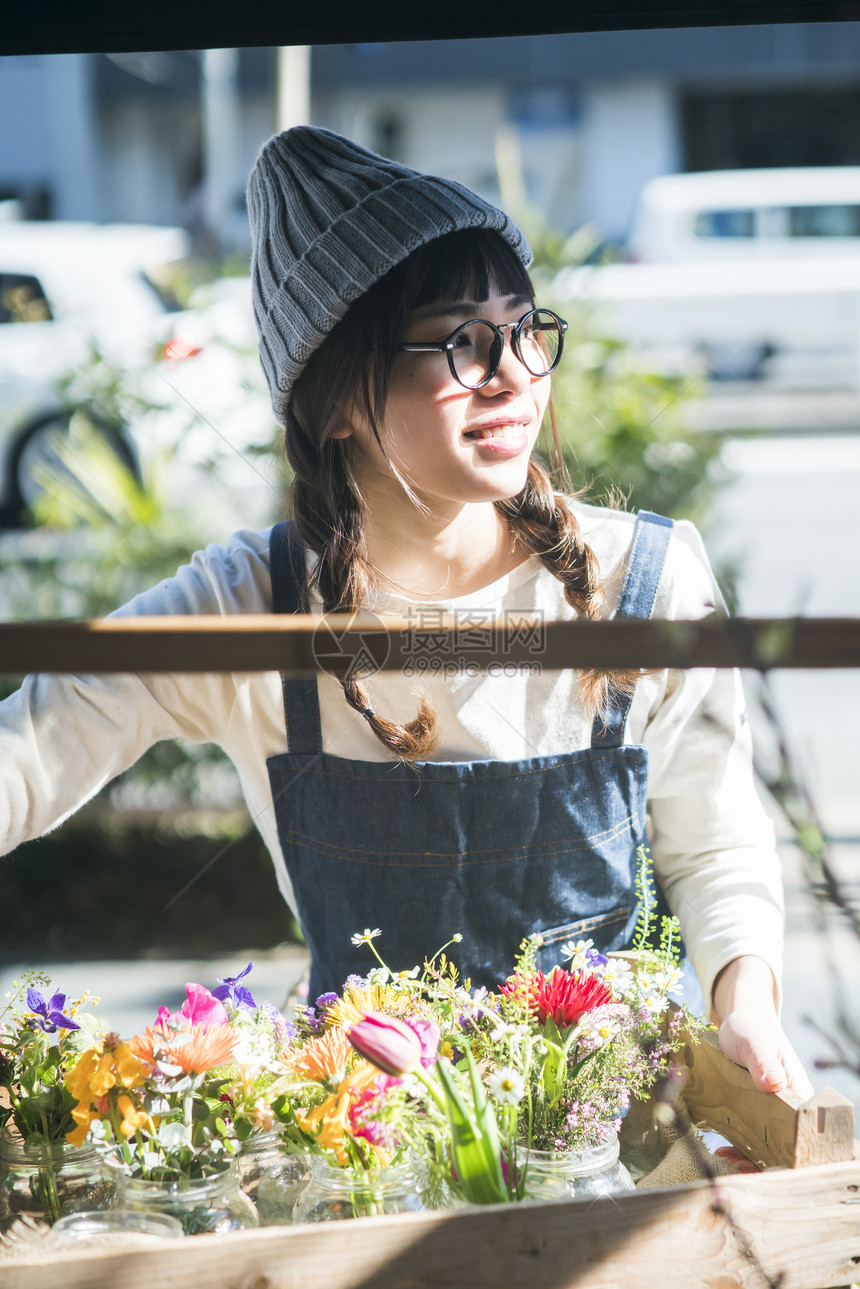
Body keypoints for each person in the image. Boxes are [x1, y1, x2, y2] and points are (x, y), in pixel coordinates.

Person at [0, 126, 810, 1100]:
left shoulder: (646, 576)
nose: (513, 371)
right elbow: (31, 753)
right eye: (461, 340)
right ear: (336, 397)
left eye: (522, 328)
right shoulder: (249, 604)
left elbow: (715, 843)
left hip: (617, 1147)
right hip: (358, 1170)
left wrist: (745, 1005)